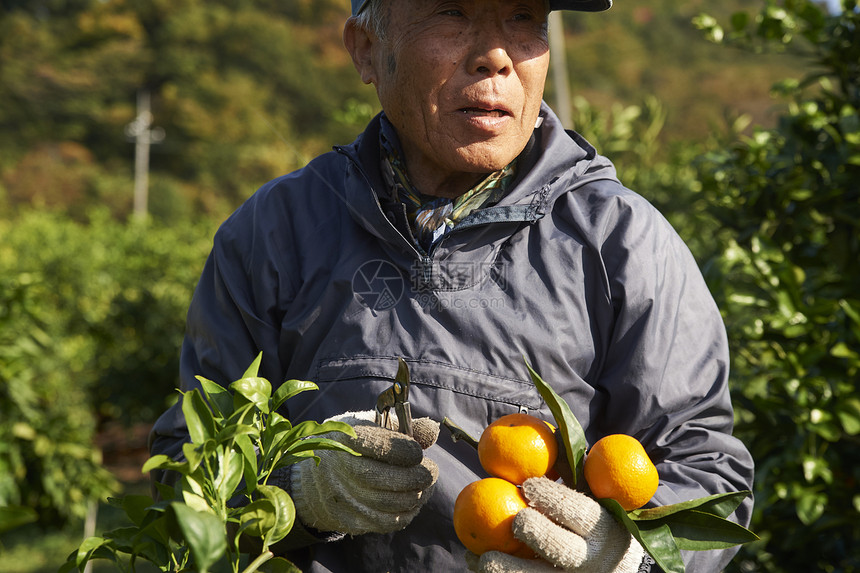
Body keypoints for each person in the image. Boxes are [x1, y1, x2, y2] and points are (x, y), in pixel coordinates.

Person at [149, 0, 755, 571]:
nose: (496, 55)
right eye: (452, 14)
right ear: (366, 50)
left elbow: (704, 469)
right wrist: (294, 493)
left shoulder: (621, 240)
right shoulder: (275, 231)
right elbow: (192, 466)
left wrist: (629, 561)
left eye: (523, 19)